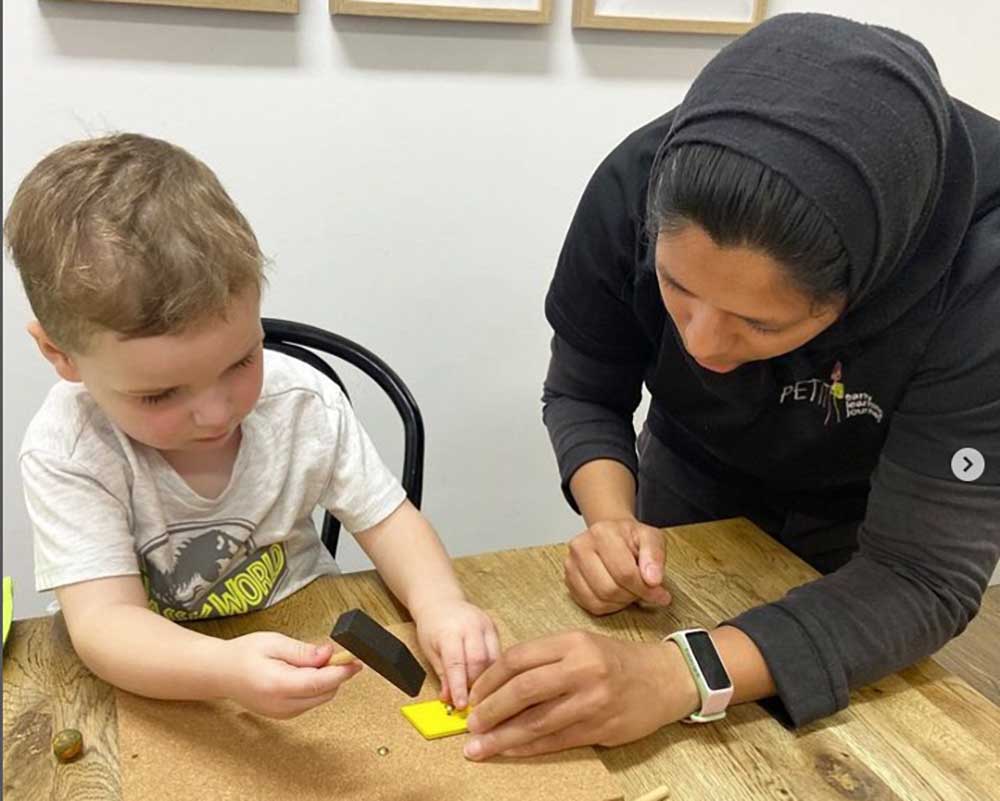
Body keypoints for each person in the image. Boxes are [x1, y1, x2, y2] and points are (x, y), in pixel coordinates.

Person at [462, 12, 1000, 760]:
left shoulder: (982, 271)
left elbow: (920, 574)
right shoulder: (641, 179)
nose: (702, 346)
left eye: (761, 324)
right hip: (691, 478)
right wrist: (610, 516)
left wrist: (681, 673)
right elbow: (586, 390)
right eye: (678, 290)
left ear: (862, 291)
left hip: (872, 525)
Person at [4, 133, 499, 718]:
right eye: (159, 394)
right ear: (60, 355)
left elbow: (390, 523)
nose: (217, 413)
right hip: (156, 681)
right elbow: (105, 625)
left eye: (241, 361)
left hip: (309, 632)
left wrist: (441, 603)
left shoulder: (301, 403)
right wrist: (225, 669)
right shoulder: (70, 447)